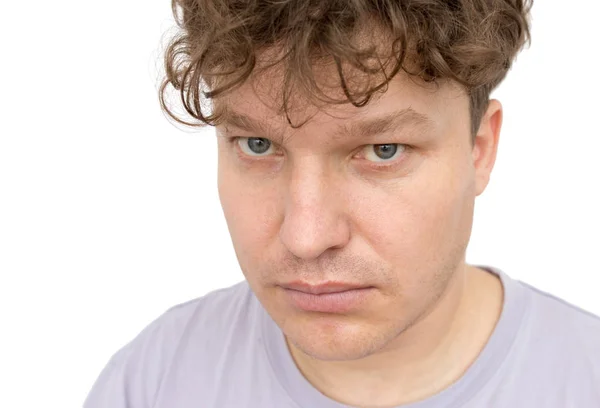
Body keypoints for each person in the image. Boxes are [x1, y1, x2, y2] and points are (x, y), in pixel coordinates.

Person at [84, 0, 600, 407]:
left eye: (383, 151)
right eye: (257, 145)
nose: (306, 237)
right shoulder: (152, 383)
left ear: (480, 150)